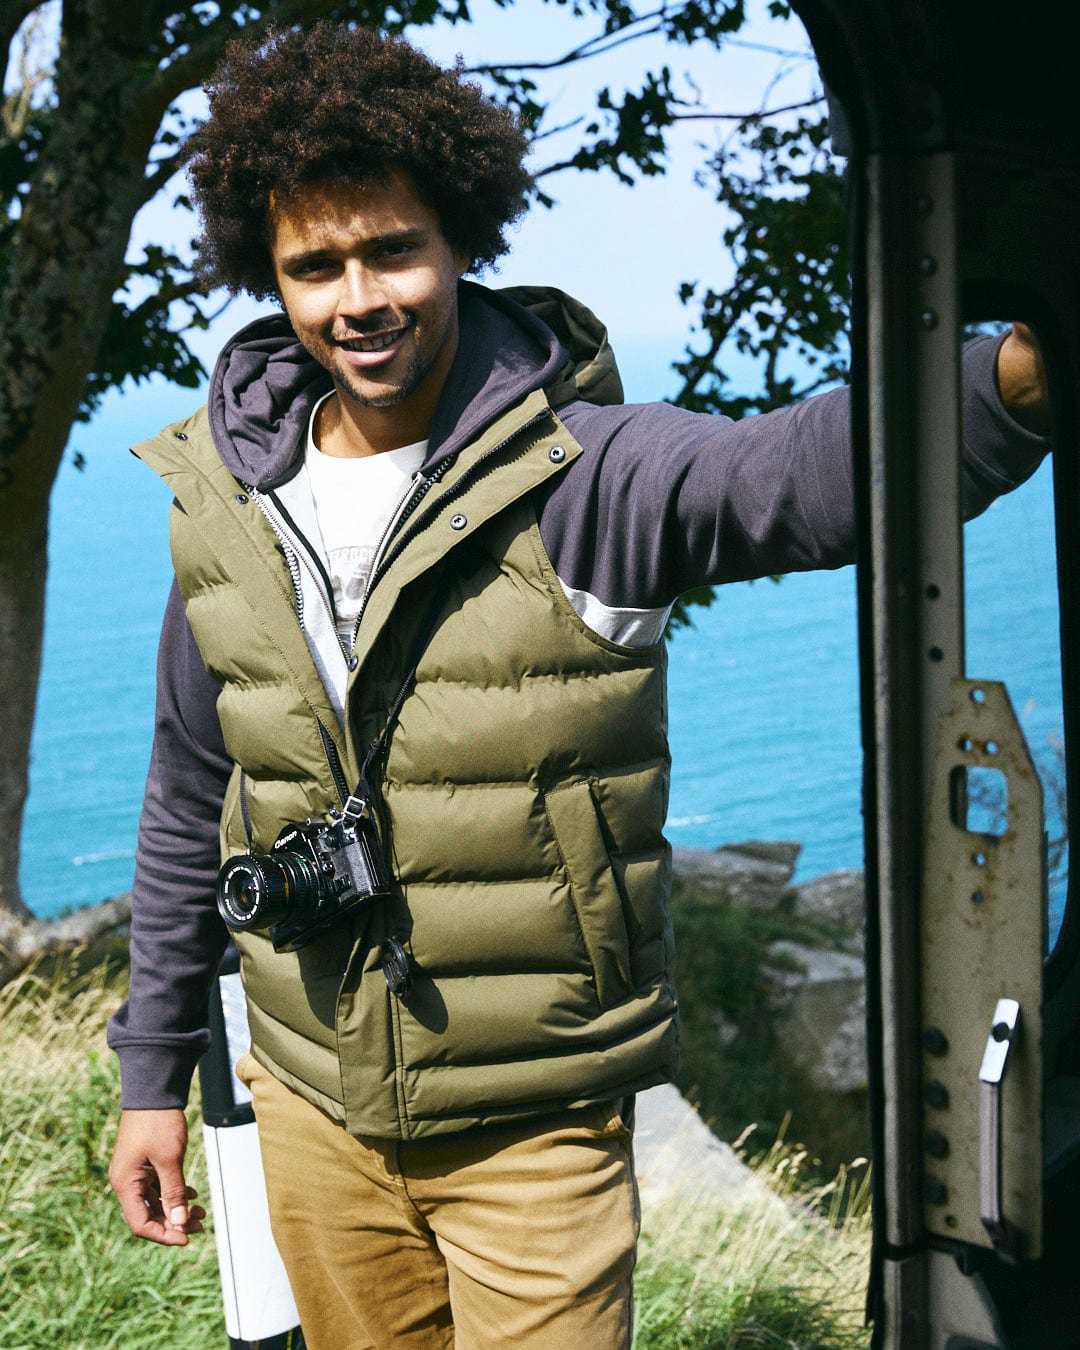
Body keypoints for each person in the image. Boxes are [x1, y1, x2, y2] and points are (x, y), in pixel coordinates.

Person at [106, 21, 1049, 1349]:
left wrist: (1014, 382)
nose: (359, 298)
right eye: (315, 266)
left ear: (461, 241)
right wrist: (152, 1072)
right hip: (313, 1110)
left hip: (534, 1130)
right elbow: (188, 790)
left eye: (393, 249)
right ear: (270, 277)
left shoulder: (591, 472)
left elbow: (805, 473)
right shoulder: (229, 498)